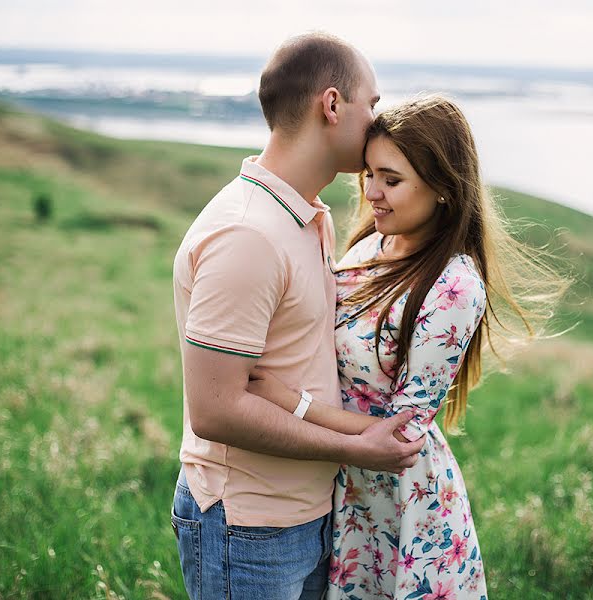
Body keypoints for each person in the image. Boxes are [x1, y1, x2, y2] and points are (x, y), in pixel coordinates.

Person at [247, 95, 570, 599]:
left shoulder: (454, 287)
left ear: (442, 187)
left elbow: (403, 435)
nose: (372, 193)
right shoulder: (370, 245)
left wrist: (291, 401)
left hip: (399, 508)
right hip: (339, 485)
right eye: (369, 175)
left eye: (391, 180)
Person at [170, 33, 425, 600]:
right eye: (373, 104)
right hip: (249, 529)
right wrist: (357, 449)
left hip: (307, 516)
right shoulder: (248, 233)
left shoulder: (305, 214)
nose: (380, 120)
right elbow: (214, 411)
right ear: (332, 106)